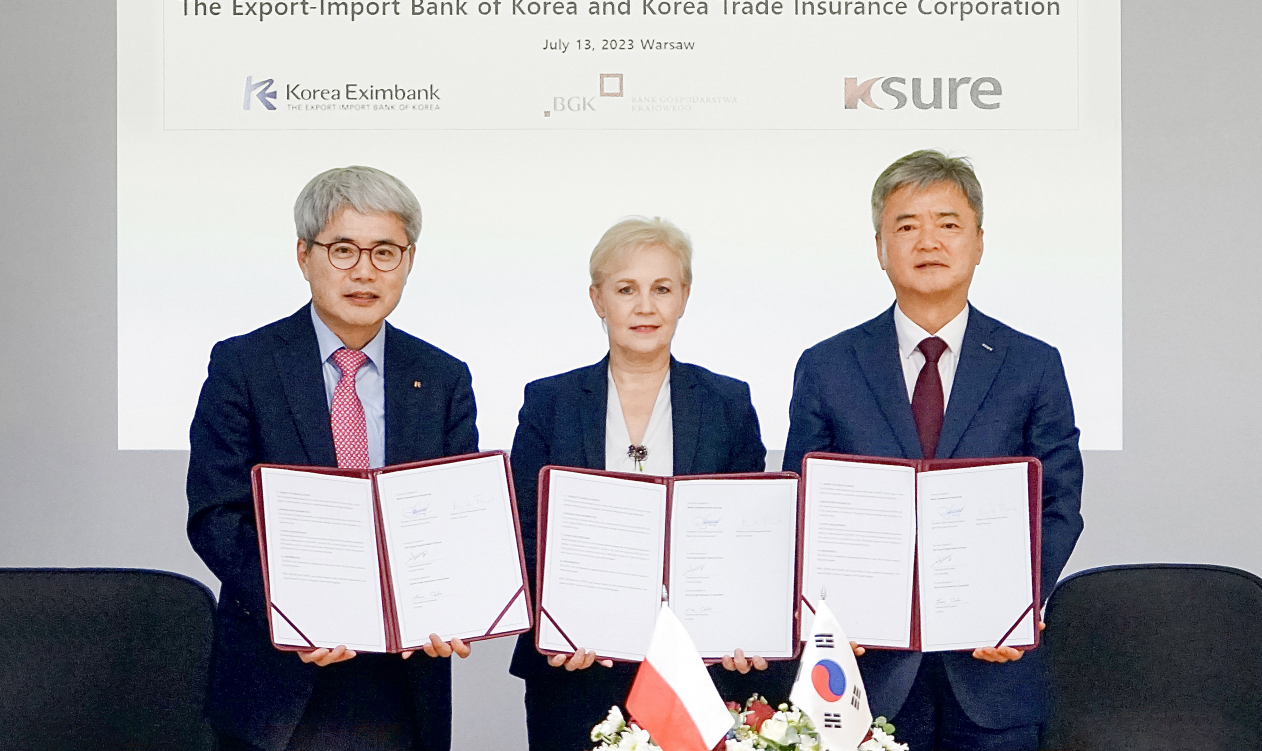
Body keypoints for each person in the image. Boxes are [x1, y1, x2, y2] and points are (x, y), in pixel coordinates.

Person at [783, 151, 1084, 751]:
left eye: (948, 223)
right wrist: (829, 610)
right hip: (865, 676)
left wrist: (1015, 607)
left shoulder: (1033, 365)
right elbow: (804, 506)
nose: (929, 241)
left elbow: (1058, 504)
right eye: (906, 225)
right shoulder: (827, 367)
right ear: (879, 247)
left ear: (978, 242)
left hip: (994, 669)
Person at [186, 166, 478, 751]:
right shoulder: (244, 366)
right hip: (278, 674)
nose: (365, 271)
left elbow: (457, 521)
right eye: (343, 249)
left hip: (402, 679)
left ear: (410, 261)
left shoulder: (443, 378)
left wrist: (458, 604)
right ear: (304, 254)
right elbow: (217, 517)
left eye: (385, 252)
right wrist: (294, 612)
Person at [507, 217, 783, 751]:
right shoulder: (550, 402)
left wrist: (746, 628)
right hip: (577, 670)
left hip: (700, 673)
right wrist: (556, 625)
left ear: (684, 297)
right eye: (626, 289)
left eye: (662, 288)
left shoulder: (727, 403)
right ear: (597, 299)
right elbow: (525, 532)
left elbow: (750, 539)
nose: (645, 306)